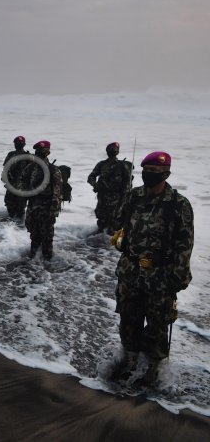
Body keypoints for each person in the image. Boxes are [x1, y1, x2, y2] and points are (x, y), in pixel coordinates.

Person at [110, 151, 193, 386]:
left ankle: (153, 372)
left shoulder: (178, 205)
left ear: (166, 174)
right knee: (128, 320)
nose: (149, 175)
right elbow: (118, 223)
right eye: (146, 171)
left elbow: (184, 244)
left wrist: (178, 278)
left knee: (157, 326)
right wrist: (119, 237)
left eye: (155, 172)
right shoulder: (133, 196)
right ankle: (129, 361)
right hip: (131, 271)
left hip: (160, 276)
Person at [20, 140, 63, 260]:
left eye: (42, 151)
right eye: (39, 151)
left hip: (46, 208)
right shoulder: (30, 168)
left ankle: (46, 260)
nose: (40, 153)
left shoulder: (53, 170)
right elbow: (22, 184)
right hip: (34, 206)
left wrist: (53, 211)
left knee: (47, 237)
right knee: (34, 235)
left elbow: (56, 193)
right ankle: (34, 259)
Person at [88, 142, 133, 234]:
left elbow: (127, 181)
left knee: (115, 220)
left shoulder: (123, 165)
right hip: (103, 196)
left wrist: (126, 196)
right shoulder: (101, 164)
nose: (113, 151)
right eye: (111, 149)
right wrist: (95, 185)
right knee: (101, 219)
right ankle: (100, 239)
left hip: (117, 197)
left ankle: (110, 243)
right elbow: (91, 177)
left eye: (115, 149)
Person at [3, 136, 29, 219]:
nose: (18, 144)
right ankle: (15, 226)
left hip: (20, 187)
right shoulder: (12, 154)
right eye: (18, 143)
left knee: (18, 208)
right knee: (13, 207)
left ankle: (15, 226)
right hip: (15, 185)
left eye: (20, 143)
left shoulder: (28, 156)